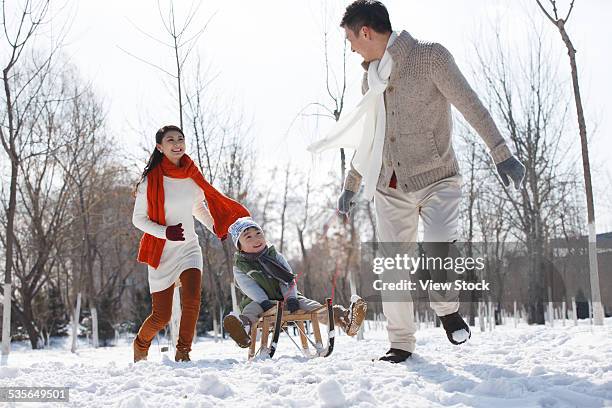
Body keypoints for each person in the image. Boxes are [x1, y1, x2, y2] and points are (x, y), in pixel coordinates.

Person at [308, 0, 525, 363]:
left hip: (438, 177)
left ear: (366, 32)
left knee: (439, 246)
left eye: (351, 39)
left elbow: (470, 103)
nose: (351, 48)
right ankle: (401, 343)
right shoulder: (370, 77)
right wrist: (352, 183)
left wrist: (500, 152)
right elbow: (369, 135)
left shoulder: (430, 58)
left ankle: (447, 309)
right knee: (393, 266)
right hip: (390, 186)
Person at [131, 125, 249, 363]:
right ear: (160, 147)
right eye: (170, 140)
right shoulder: (149, 181)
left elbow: (197, 208)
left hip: (188, 247)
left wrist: (215, 226)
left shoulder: (191, 175)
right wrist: (165, 232)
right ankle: (141, 343)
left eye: (180, 139)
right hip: (161, 250)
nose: (177, 144)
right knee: (161, 316)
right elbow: (138, 219)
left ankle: (183, 351)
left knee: (193, 299)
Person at [222, 217, 367, 348]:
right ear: (239, 246)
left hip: (286, 297)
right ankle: (243, 330)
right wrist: (264, 301)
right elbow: (249, 287)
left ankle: (344, 319)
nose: (256, 239)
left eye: (258, 233)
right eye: (248, 237)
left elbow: (288, 279)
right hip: (258, 301)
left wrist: (291, 298)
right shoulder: (240, 266)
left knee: (311, 306)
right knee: (251, 310)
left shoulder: (275, 256)